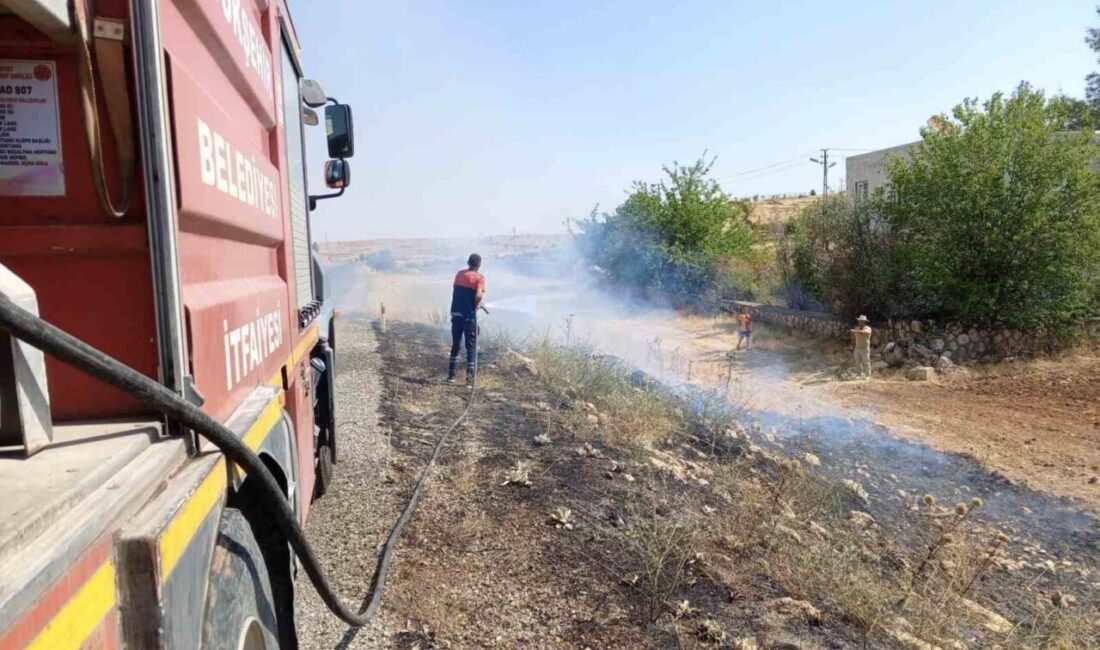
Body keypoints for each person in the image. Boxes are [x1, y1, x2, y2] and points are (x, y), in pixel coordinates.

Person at [448, 254, 486, 385]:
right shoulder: (480, 278)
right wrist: (476, 304)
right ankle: (469, 381)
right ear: (479, 265)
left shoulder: (459, 274)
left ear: (468, 262)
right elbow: (479, 294)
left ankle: (451, 376)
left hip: (456, 313)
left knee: (456, 345)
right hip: (468, 316)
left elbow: (460, 292)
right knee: (471, 346)